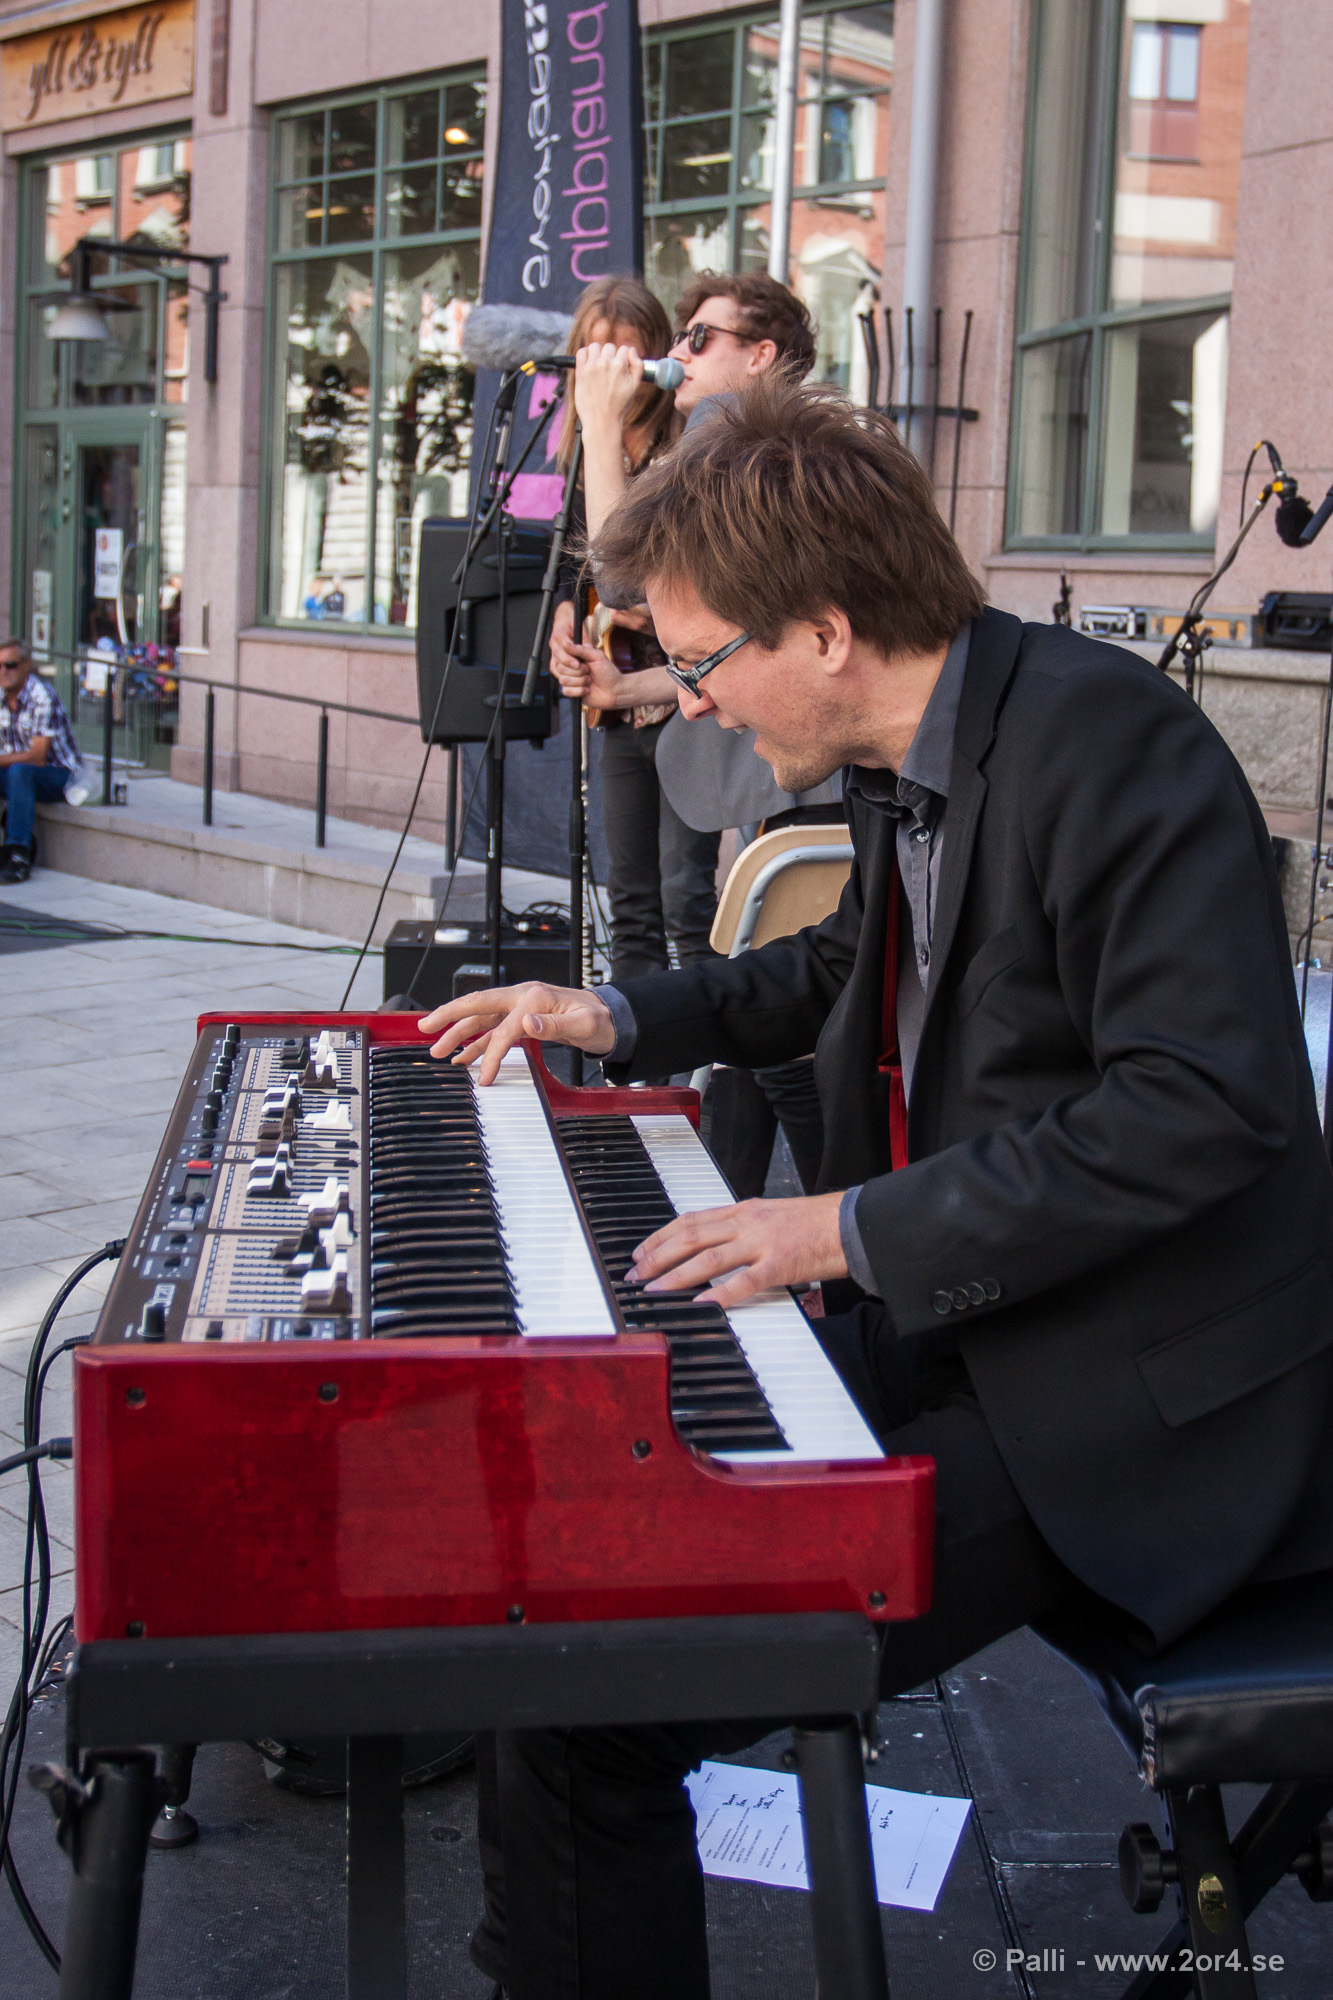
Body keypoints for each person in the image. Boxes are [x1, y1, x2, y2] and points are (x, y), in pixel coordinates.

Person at [419, 375, 1333, 2000]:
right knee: (569, 1550)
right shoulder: (932, 747)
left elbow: (1205, 1107)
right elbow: (845, 967)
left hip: (1129, 1414)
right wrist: (613, 1014)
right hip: (980, 1331)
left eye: (703, 663)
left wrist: (837, 1229)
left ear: (827, 631)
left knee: (587, 1700)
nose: (694, 705)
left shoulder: (1109, 747)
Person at [556, 270, 839, 1188]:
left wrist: (599, 422)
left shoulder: (731, 441)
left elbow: (626, 574)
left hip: (816, 775)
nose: (677, 353)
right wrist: (629, 685)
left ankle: (826, 1209)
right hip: (815, 770)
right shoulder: (784, 444)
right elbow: (737, 647)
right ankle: (730, 1192)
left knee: (774, 1006)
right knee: (767, 997)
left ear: (759, 357)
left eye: (699, 338)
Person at [546, 276, 716, 985]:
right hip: (615, 704)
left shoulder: (686, 447)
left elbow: (667, 582)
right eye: (598, 352)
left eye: (626, 351)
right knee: (630, 898)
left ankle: (707, 1039)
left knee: (687, 896)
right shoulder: (585, 447)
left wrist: (635, 605)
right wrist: (566, 619)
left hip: (685, 697)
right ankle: (634, 1038)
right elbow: (576, 563)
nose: (614, 367)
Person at [0, 639, 83, 884]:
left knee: (20, 772)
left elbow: (37, 757)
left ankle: (19, 854)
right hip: (19, 773)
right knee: (17, 772)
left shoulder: (41, 695)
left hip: (60, 775)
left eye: (10, 665)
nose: (3, 671)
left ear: (26, 665)